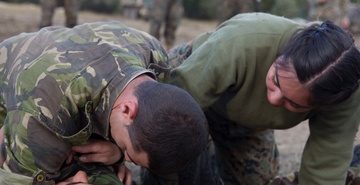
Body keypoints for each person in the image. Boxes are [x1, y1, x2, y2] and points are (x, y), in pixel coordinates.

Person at [141, 12, 360, 185]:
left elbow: (325, 168)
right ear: (280, 55)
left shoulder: (344, 95)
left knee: (253, 180)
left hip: (242, 117)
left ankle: (216, 154)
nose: (273, 101)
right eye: (276, 81)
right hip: (186, 96)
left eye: (293, 103)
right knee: (173, 162)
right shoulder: (241, 41)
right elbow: (164, 120)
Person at [0, 21, 209, 185]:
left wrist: (117, 152)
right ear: (127, 110)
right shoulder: (46, 105)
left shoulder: (155, 58)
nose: (126, 158)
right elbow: (21, 179)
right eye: (128, 152)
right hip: (24, 107)